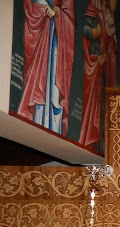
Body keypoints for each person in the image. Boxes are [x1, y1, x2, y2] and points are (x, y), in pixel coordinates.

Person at [18, 0, 75, 136]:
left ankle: (53, 129)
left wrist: (57, 11)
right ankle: (37, 122)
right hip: (40, 39)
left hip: (56, 42)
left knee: (55, 92)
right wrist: (41, 9)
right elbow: (30, 7)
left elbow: (70, 22)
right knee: (39, 86)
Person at [79, 0, 118, 153]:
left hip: (104, 70)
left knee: (102, 107)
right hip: (94, 62)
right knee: (93, 103)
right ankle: (91, 137)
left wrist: (107, 56)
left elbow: (111, 47)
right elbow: (86, 28)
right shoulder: (94, 7)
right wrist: (94, 32)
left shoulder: (109, 18)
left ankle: (101, 144)